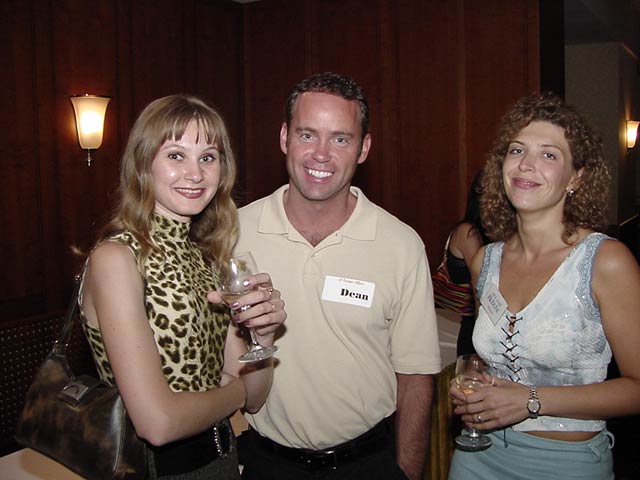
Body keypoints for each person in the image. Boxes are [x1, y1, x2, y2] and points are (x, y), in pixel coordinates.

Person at [235, 72, 441, 480]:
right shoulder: (234, 233)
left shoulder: (401, 245)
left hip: (366, 464)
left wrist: (405, 473)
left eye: (340, 139)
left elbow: (416, 378)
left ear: (364, 148)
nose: (321, 154)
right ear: (285, 138)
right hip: (265, 464)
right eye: (307, 135)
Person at [78, 94, 286, 479]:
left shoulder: (208, 259)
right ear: (143, 164)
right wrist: (234, 392)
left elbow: (257, 397)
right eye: (176, 155)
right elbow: (157, 424)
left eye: (208, 157)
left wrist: (262, 335)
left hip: (221, 462)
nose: (195, 174)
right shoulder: (117, 258)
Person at [448, 92, 640, 479]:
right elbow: (498, 360)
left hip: (565, 462)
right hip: (476, 454)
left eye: (549, 155)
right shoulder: (485, 261)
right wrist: (481, 387)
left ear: (576, 177)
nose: (526, 164)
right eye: (517, 150)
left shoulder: (604, 261)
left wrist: (531, 400)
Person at [443, 174, 489, 356]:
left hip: (480, 322)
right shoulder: (468, 232)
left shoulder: (494, 234)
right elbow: (483, 288)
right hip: (475, 325)